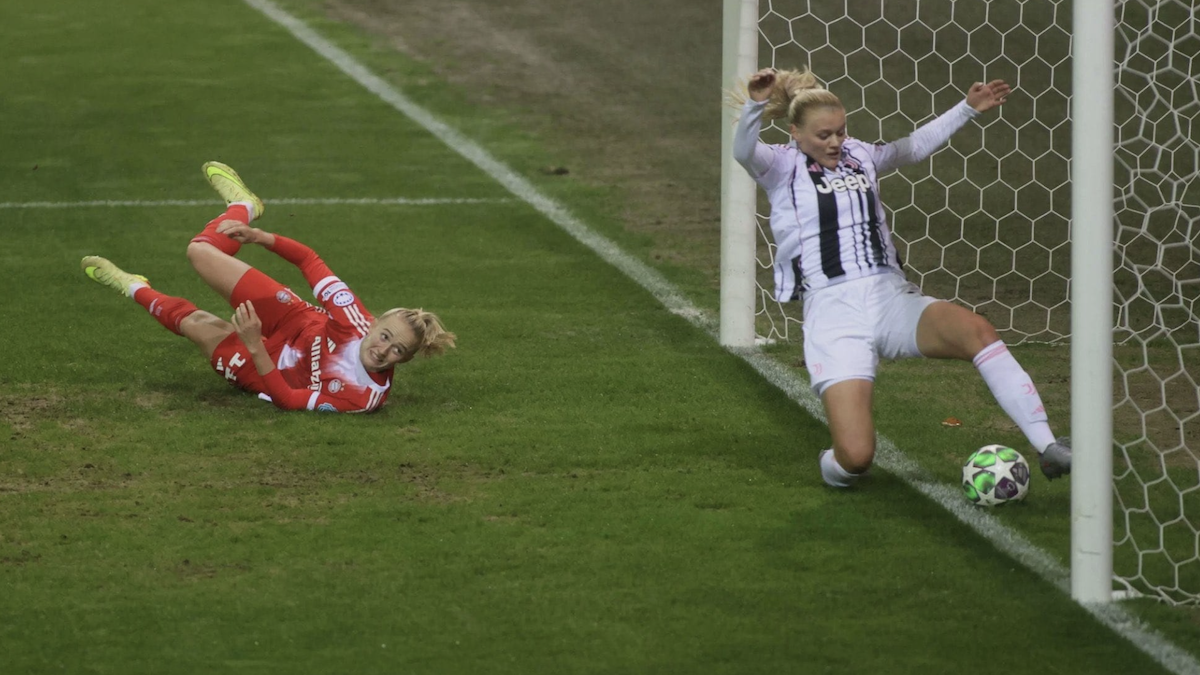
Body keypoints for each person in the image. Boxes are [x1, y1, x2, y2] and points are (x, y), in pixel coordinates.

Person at [733, 67, 1071, 487]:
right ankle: (833, 463)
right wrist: (755, 104)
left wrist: (968, 108)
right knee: (856, 459)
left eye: (840, 131)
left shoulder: (860, 155)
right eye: (824, 135)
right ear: (796, 133)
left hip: (890, 298)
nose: (835, 142)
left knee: (976, 331)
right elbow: (743, 150)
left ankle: (1048, 446)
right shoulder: (780, 166)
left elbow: (912, 147)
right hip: (834, 315)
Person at [81, 162, 456, 413]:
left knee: (194, 323)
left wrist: (254, 344)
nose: (383, 349)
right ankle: (244, 206)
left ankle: (132, 286)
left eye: (397, 350)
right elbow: (308, 259)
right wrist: (260, 237)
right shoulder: (351, 316)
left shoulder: (363, 398)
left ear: (405, 360)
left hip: (267, 368)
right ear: (372, 323)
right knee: (199, 252)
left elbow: (288, 399)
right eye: (385, 336)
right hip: (293, 319)